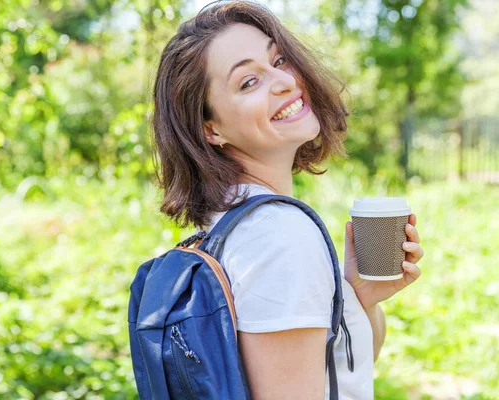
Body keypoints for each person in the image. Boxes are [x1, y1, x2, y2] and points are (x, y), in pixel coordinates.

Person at [150, 1, 424, 398]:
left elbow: (339, 371)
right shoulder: (280, 236)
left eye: (278, 60)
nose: (283, 81)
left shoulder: (231, 223)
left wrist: (358, 296)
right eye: (248, 82)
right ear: (211, 129)